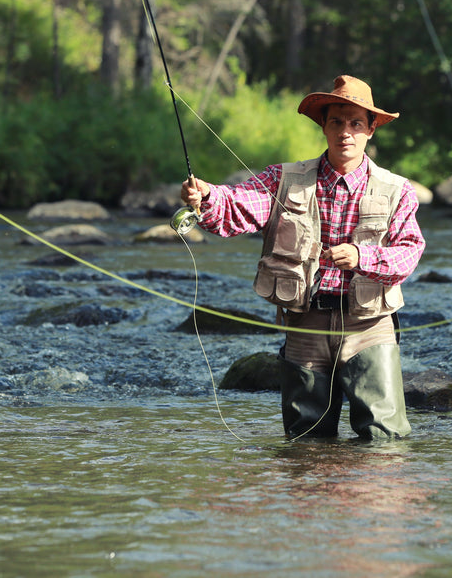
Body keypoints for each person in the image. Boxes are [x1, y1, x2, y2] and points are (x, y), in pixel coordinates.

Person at [180, 75, 425, 439]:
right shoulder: (283, 179)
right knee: (305, 442)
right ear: (323, 126)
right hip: (305, 325)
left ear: (371, 130)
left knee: (385, 441)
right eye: (336, 122)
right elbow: (236, 207)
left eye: (356, 123)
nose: (346, 132)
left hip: (369, 326)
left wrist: (362, 256)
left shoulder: (397, 190)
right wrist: (207, 196)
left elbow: (409, 252)